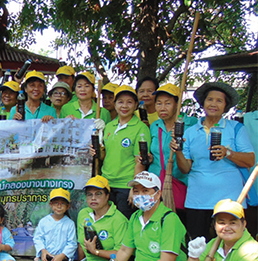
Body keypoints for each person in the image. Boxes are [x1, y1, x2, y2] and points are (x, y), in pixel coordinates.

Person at [92, 172, 188, 261]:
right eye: (136, 191)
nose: (140, 195)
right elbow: (124, 251)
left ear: (157, 194)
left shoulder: (169, 219)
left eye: (145, 191)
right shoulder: (135, 218)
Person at [172, 82, 254, 239]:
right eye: (210, 99)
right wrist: (178, 151)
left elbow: (251, 160)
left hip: (230, 199)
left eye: (219, 101)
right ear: (203, 103)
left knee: (230, 244)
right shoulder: (190, 132)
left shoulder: (236, 128)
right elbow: (185, 169)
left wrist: (228, 152)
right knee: (197, 245)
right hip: (198, 199)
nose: (213, 104)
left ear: (225, 106)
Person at [63, 176, 130, 261]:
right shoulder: (83, 213)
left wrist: (96, 252)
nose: (93, 198)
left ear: (107, 195)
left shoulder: (119, 220)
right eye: (89, 195)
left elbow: (120, 253)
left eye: (98, 194)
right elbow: (81, 244)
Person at [97, 84, 151, 218]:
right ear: (115, 104)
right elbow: (106, 155)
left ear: (136, 105)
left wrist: (135, 187)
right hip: (107, 184)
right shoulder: (109, 126)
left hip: (125, 186)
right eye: (120, 102)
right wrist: (97, 151)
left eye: (129, 102)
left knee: (123, 224)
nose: (124, 106)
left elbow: (140, 161)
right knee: (108, 222)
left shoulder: (140, 128)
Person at [147, 84, 196, 219]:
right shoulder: (154, 126)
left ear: (177, 104)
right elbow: (155, 152)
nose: (162, 108)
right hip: (156, 185)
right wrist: (149, 158)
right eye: (159, 103)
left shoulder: (191, 124)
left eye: (168, 103)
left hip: (181, 183)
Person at [32, 188, 77, 261]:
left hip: (62, 258)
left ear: (68, 206)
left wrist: (62, 255)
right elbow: (38, 238)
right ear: (51, 204)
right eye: (56, 203)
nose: (59, 206)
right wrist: (43, 250)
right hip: (46, 256)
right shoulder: (44, 221)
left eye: (63, 203)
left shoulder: (70, 224)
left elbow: (72, 243)